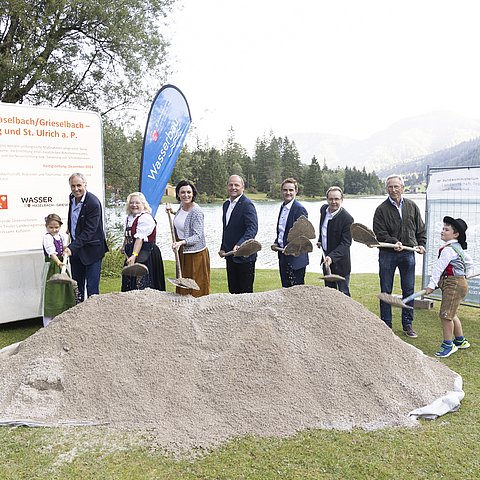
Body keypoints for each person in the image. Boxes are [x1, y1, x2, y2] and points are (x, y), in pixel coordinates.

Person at [373, 174, 426, 338]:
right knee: (386, 290)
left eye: (396, 186)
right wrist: (393, 242)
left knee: (408, 289)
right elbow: (379, 233)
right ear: (386, 189)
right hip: (388, 255)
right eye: (390, 187)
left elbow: (420, 229)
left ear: (402, 188)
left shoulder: (412, 206)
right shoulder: (381, 209)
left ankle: (407, 324)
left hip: (408, 254)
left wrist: (421, 244)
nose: (393, 189)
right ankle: (386, 325)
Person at [424, 217, 473, 357]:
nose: (442, 231)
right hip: (458, 283)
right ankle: (460, 340)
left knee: (446, 315)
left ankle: (448, 344)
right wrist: (467, 274)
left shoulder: (448, 250)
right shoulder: (458, 249)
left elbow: (438, 269)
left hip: (454, 284)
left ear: (455, 234)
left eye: (446, 230)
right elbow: (469, 263)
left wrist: (431, 285)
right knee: (451, 312)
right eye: (443, 229)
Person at [63, 173, 108, 302]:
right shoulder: (72, 198)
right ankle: (79, 313)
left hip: (92, 250)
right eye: (73, 186)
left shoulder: (93, 203)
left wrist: (72, 247)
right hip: (77, 249)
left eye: (79, 185)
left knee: (92, 287)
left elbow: (90, 231)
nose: (76, 189)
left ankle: (95, 316)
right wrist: (71, 230)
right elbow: (75, 218)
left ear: (85, 185)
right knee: (77, 286)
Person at [166, 180, 210, 297]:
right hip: (182, 251)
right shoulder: (182, 206)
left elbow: (197, 236)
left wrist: (181, 242)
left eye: (189, 192)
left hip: (196, 254)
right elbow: (184, 221)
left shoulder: (197, 212)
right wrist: (172, 212)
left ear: (193, 193)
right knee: (183, 285)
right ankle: (183, 309)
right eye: (183, 192)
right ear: (178, 194)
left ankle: (198, 310)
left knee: (195, 287)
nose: (186, 195)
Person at [219, 175, 258, 293]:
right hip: (230, 256)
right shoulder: (226, 205)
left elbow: (252, 229)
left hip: (245, 257)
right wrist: (223, 248)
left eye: (236, 185)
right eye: (231, 185)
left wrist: (240, 244)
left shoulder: (247, 204)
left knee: (245, 294)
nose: (233, 187)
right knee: (233, 291)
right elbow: (226, 229)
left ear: (243, 187)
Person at [121, 192, 166, 292]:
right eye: (131, 203)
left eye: (137, 203)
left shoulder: (145, 218)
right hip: (133, 252)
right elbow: (128, 235)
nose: (134, 205)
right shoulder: (129, 218)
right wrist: (124, 246)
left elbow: (139, 239)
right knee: (130, 281)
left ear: (143, 204)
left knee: (143, 283)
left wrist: (134, 255)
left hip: (146, 254)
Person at [272, 178, 309, 287]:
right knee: (285, 288)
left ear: (296, 191)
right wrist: (276, 242)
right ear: (281, 191)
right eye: (285, 190)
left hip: (296, 258)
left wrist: (291, 247)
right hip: (283, 255)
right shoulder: (283, 207)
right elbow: (282, 230)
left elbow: (303, 234)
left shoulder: (300, 209)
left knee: (297, 292)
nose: (288, 193)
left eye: (291, 190)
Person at [318, 186, 354, 296]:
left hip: (341, 264)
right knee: (329, 294)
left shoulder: (347, 218)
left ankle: (348, 313)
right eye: (331, 199)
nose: (333, 202)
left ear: (342, 200)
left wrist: (332, 257)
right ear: (327, 199)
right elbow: (324, 228)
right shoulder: (324, 209)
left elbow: (346, 243)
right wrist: (321, 240)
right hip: (326, 261)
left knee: (343, 294)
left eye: (337, 199)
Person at [42, 213, 76, 327]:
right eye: (51, 227)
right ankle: (48, 323)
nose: (54, 229)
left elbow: (63, 249)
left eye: (56, 227)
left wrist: (66, 249)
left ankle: (62, 319)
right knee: (52, 293)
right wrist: (58, 263)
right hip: (52, 267)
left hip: (62, 265)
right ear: (46, 226)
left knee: (64, 292)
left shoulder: (61, 237)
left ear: (60, 226)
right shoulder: (47, 237)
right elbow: (51, 253)